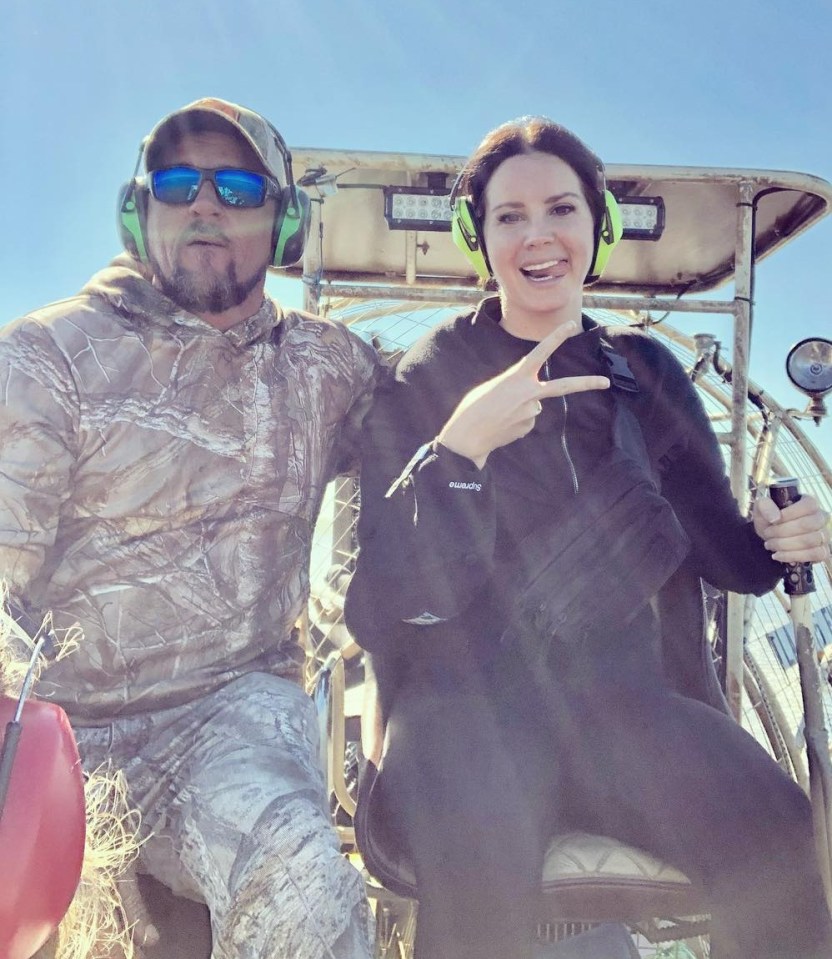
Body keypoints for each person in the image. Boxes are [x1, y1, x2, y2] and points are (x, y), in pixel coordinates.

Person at [344, 116, 832, 959]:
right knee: (478, 852)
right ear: (480, 236)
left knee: (785, 838)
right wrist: (458, 452)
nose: (539, 235)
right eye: (510, 216)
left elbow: (729, 556)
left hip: (625, 708)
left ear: (595, 227)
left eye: (562, 209)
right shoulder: (427, 374)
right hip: (466, 711)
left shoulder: (646, 373)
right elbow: (382, 603)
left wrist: (782, 534)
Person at [0, 98, 380, 959]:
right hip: (59, 723)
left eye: (239, 186)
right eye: (178, 183)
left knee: (304, 878)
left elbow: (449, 422)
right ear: (141, 211)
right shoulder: (46, 355)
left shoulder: (328, 367)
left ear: (284, 224)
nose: (205, 203)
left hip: (229, 714)